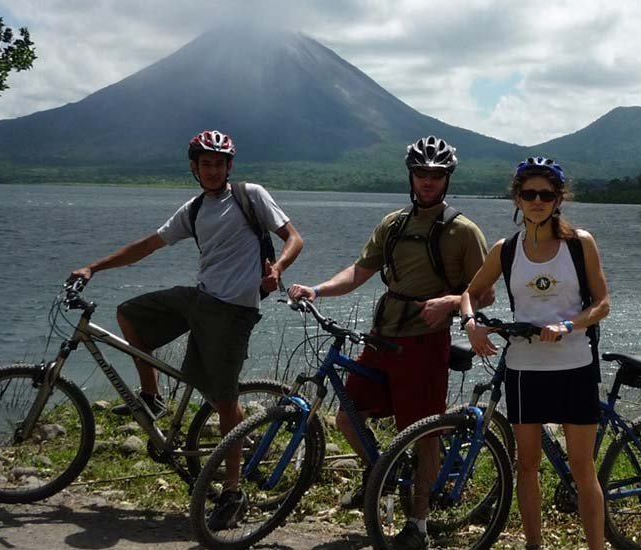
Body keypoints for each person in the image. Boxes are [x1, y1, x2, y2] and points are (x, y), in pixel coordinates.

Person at [68, 129, 303, 530]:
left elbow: (294, 238)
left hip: (233, 312)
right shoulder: (194, 210)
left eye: (219, 163)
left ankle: (233, 491)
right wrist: (94, 267)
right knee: (130, 314)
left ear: (229, 166)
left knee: (224, 399)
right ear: (194, 168)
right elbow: (146, 245)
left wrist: (277, 269)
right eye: (204, 164)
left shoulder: (250, 196)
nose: (212, 170)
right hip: (200, 300)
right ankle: (151, 395)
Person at [287, 135, 490, 549]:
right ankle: (384, 474)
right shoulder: (394, 224)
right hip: (383, 337)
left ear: (446, 178)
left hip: (425, 343)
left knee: (422, 432)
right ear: (411, 177)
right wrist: (318, 290)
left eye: (435, 175)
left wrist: (451, 302)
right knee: (348, 417)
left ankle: (418, 524)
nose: (427, 181)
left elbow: (484, 292)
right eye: (421, 174)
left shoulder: (464, 231)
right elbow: (360, 271)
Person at [458, 157, 610, 550]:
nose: (537, 201)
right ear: (517, 199)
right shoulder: (505, 250)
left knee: (582, 469)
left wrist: (569, 325)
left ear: (559, 199)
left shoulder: (579, 244)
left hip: (575, 366)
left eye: (546, 194)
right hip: (524, 369)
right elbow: (469, 295)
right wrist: (472, 324)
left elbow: (602, 304)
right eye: (529, 194)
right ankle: (534, 546)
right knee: (527, 467)